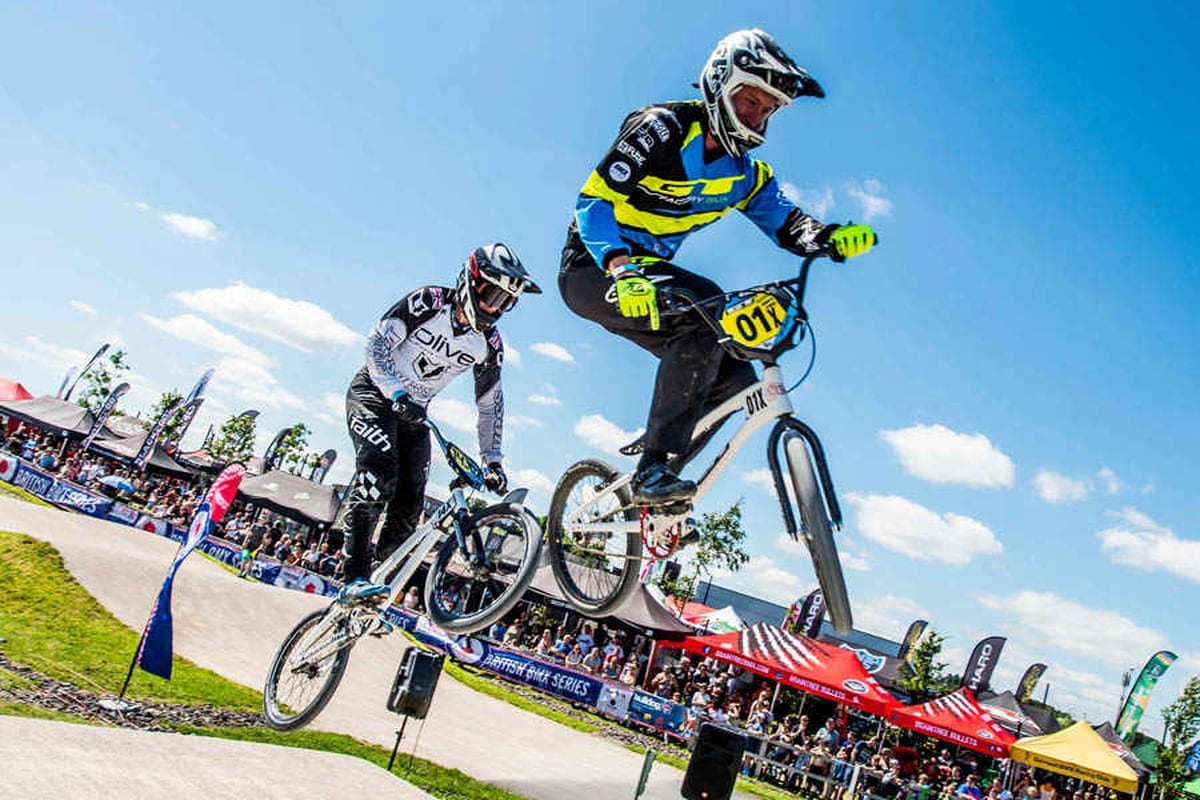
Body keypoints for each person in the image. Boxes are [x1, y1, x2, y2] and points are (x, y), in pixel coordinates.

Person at [558, 28, 877, 504]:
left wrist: (827, 238)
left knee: (734, 381)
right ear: (719, 85)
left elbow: (788, 224)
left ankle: (659, 496)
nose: (758, 117)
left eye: (768, 110)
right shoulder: (660, 129)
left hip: (651, 282)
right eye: (751, 101)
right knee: (709, 306)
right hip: (594, 269)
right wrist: (622, 268)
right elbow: (594, 202)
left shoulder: (746, 174)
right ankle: (655, 468)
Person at [335, 244, 541, 605]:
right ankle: (353, 575)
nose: (496, 309)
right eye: (493, 295)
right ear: (470, 283)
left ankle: (380, 583)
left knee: (411, 500)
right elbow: (376, 345)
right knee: (378, 473)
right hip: (374, 392)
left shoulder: (489, 343)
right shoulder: (427, 303)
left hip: (414, 413)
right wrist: (396, 392)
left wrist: (492, 460)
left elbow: (490, 403)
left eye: (506, 302)